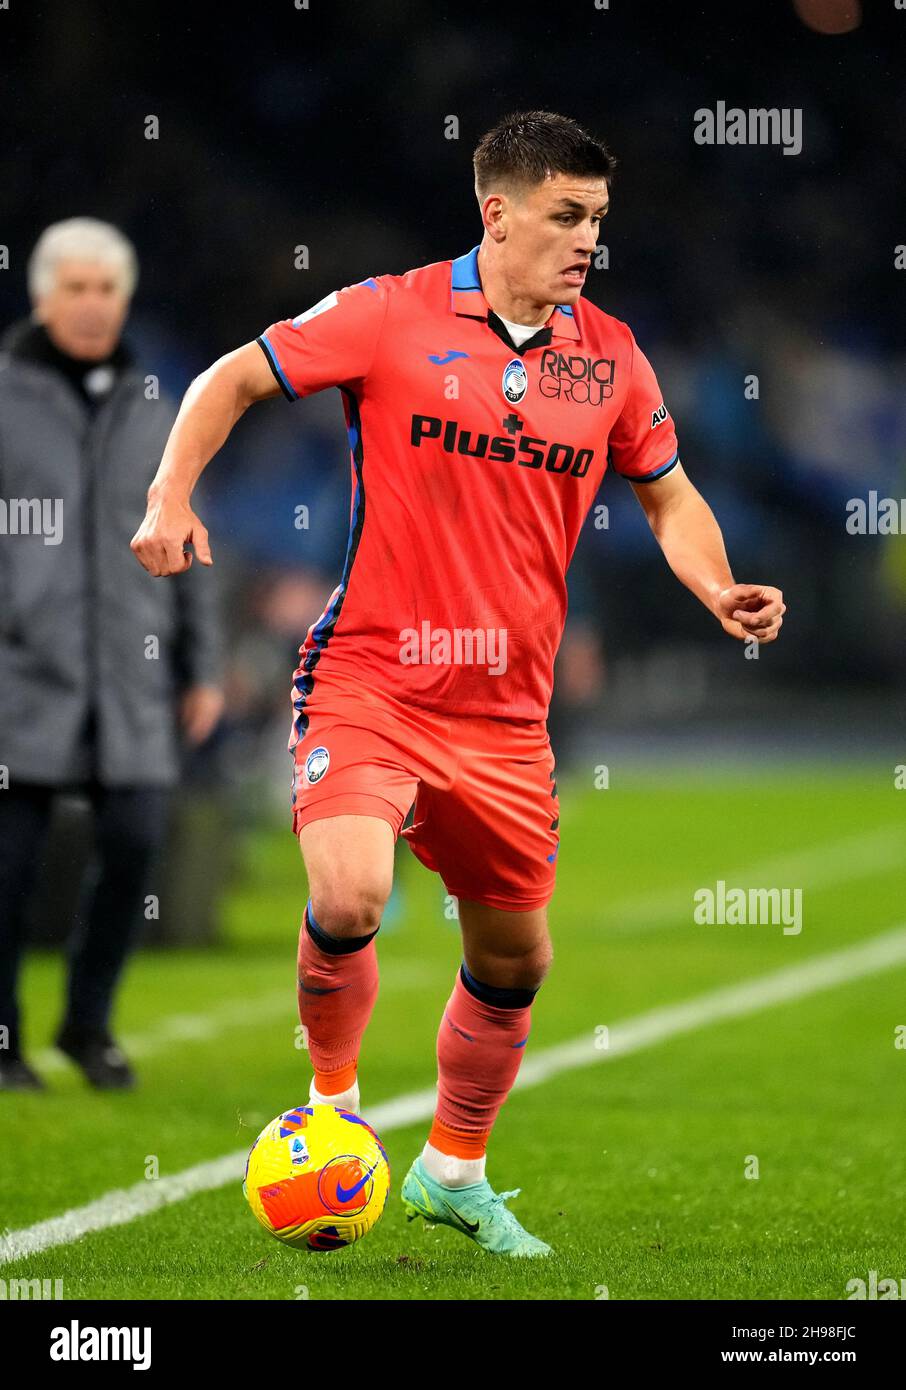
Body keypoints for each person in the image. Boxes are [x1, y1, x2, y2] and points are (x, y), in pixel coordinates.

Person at [130, 111, 785, 1255]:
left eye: (599, 220)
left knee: (515, 960)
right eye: (567, 216)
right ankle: (331, 1109)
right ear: (498, 210)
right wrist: (168, 497)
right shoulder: (388, 315)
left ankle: (453, 1169)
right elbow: (231, 377)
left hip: (507, 715)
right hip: (371, 678)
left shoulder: (613, 358)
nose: (588, 240)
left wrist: (718, 589)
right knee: (349, 899)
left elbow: (669, 494)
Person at [0, 218, 224, 1092]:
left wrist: (201, 667)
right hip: (20, 679)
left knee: (134, 844)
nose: (93, 306)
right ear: (42, 294)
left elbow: (192, 538)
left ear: (124, 298)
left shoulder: (159, 401)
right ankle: (5, 1040)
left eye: (107, 290)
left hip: (131, 678)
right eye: (77, 288)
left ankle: (88, 1027)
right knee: (8, 868)